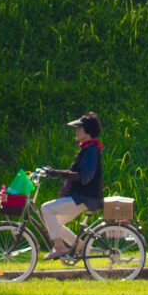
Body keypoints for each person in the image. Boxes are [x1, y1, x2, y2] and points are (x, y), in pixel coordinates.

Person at [40, 111, 105, 260]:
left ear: (88, 131)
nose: (76, 131)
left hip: (85, 198)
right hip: (81, 197)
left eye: (79, 128)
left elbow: (85, 177)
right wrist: (56, 173)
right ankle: (81, 247)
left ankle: (59, 247)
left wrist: (59, 173)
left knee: (46, 208)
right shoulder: (87, 149)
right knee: (53, 223)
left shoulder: (91, 151)